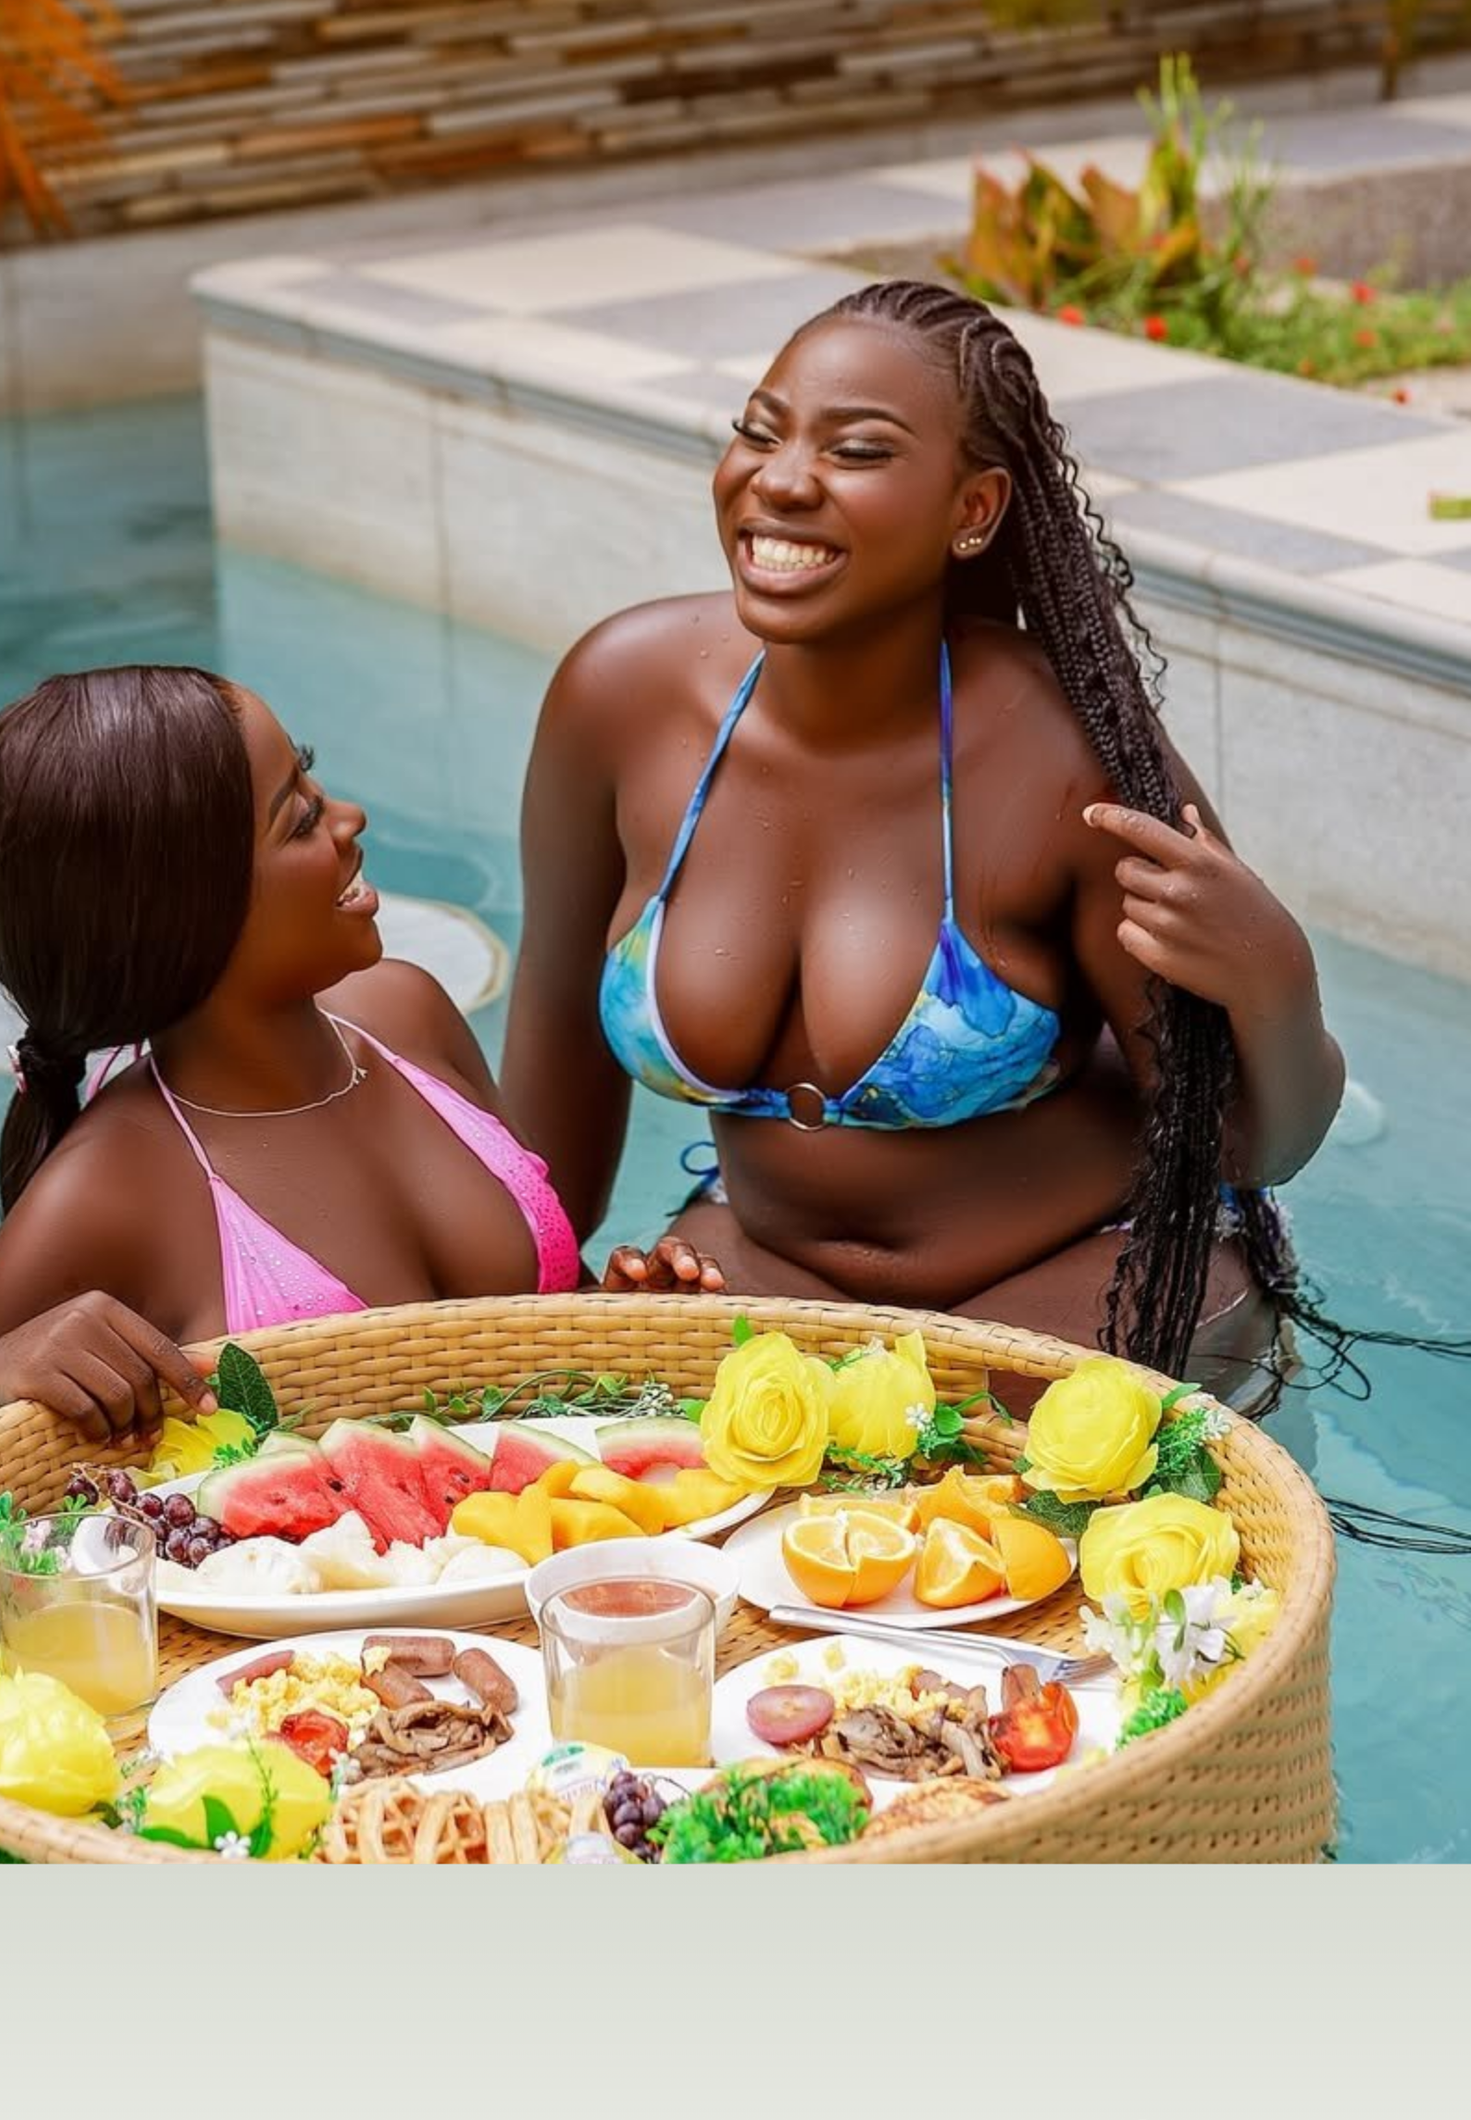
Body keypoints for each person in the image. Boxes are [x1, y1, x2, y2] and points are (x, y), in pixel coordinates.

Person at [499, 277, 1345, 1400]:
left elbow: (1241, 1143)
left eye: (854, 452)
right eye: (759, 431)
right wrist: (512, 1346)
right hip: (772, 1268)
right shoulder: (619, 698)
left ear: (972, 509)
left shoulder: (1060, 758)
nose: (781, 480)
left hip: (1086, 1279)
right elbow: (547, 1137)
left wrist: (1277, 983)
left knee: (929, 1485)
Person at [0, 665, 578, 1450]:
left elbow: (560, 1341)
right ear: (184, 911)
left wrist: (644, 1301)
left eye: (313, 780)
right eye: (299, 821)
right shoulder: (99, 1199)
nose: (350, 818)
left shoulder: (408, 1018)